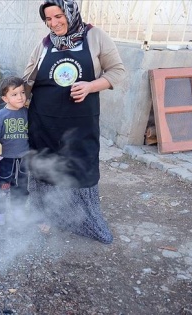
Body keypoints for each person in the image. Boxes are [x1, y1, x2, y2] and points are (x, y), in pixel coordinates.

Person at [22, 0, 125, 243]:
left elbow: (117, 72)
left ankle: (83, 219)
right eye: (48, 19)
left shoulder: (95, 37)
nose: (54, 23)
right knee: (44, 164)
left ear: (70, 13)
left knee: (80, 165)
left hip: (80, 119)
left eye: (58, 16)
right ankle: (45, 213)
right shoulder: (45, 44)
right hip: (44, 118)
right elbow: (28, 78)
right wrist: (14, 104)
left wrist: (91, 86)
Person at [0, 76, 30, 225]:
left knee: (22, 186)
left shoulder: (27, 113)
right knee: (3, 186)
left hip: (24, 159)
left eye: (22, 92)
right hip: (6, 159)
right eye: (15, 94)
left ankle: (19, 211)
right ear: (5, 99)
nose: (20, 97)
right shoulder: (1, 116)